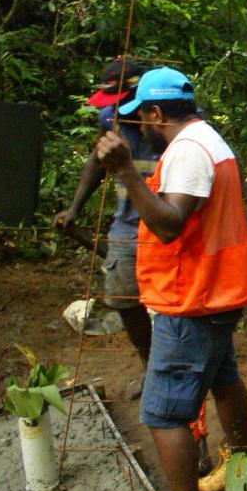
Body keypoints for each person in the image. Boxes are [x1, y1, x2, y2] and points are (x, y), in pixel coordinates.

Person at [95, 67, 247, 491]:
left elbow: (169, 225)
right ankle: (241, 461)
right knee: (222, 374)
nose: (137, 129)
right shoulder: (205, 138)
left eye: (140, 119)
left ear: (156, 113)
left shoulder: (188, 151)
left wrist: (126, 170)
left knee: (163, 411)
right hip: (215, 289)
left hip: (194, 296)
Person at [53, 58, 157, 398]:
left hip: (170, 221)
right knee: (125, 299)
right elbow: (96, 162)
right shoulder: (108, 118)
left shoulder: (167, 117)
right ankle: (150, 365)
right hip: (128, 225)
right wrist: (75, 208)